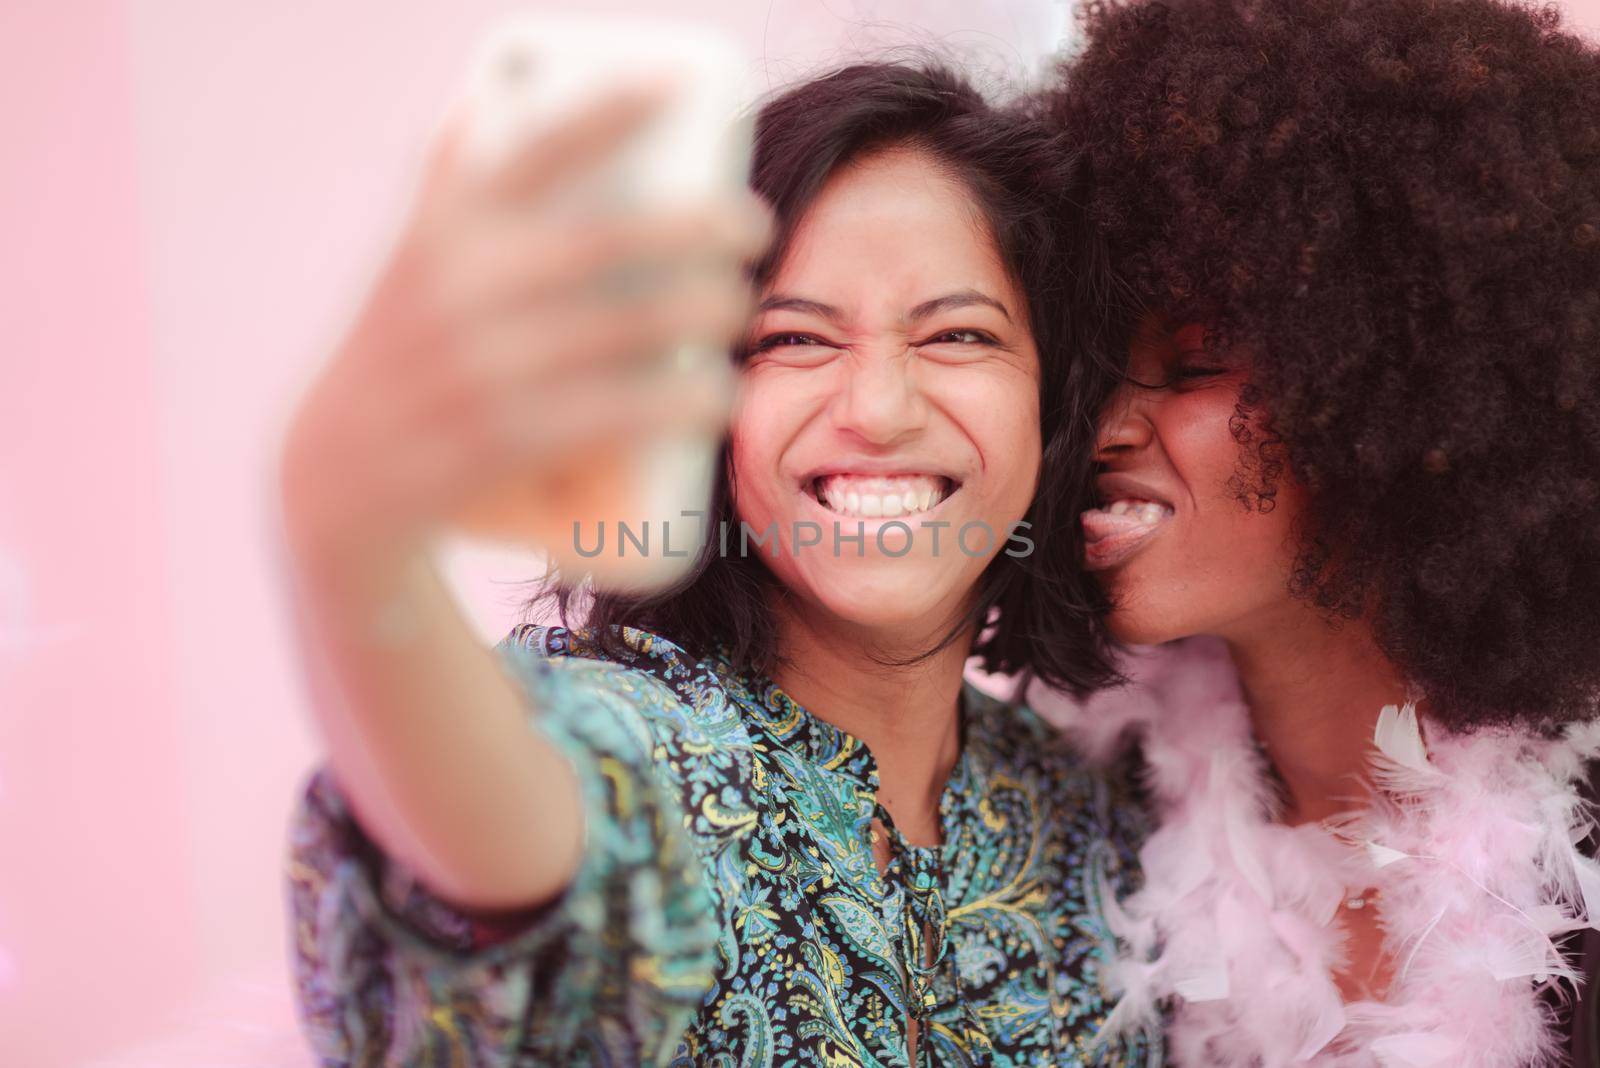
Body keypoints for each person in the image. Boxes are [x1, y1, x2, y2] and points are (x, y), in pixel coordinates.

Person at [279, 62, 1151, 1066]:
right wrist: (349, 541)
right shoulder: (647, 754)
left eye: (958, 333)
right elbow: (504, 837)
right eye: (791, 338)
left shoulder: (1104, 817)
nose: (878, 409)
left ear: (1053, 408)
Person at [1031, 0, 1600, 1064]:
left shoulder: (1583, 843)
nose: (1105, 429)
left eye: (1195, 363)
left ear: (1390, 384)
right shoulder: (1070, 839)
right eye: (1092, 374)